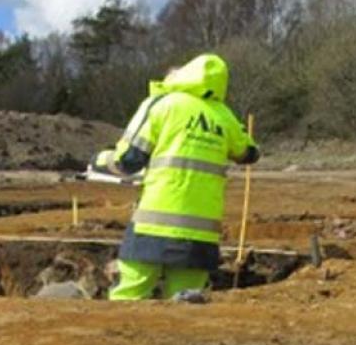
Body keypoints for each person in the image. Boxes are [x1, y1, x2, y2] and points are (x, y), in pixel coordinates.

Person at [97, 54, 260, 301]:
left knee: (129, 296)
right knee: (185, 303)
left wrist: (100, 160)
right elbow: (249, 153)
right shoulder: (223, 115)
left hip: (152, 223)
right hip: (200, 233)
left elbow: (128, 160)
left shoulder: (162, 104)